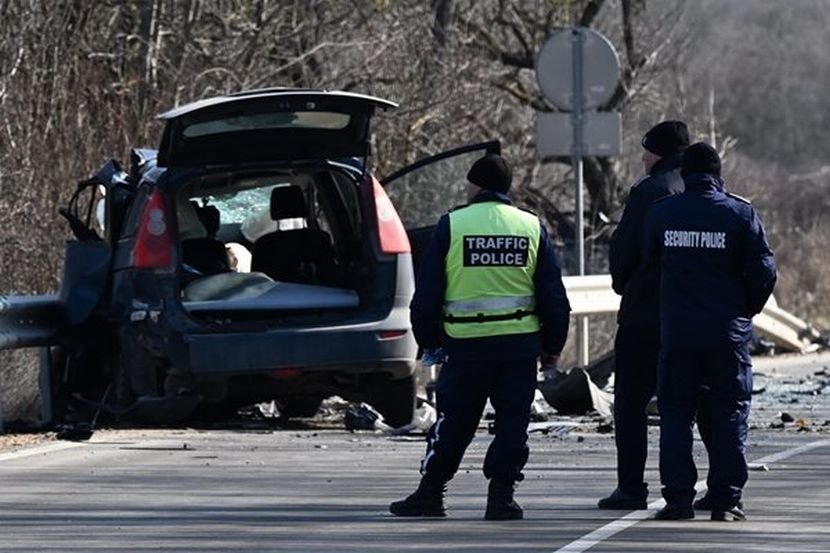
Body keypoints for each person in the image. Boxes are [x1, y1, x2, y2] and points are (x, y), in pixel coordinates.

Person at [389, 153, 571, 520]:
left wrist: (429, 339)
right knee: (512, 424)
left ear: (476, 186)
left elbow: (427, 294)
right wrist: (552, 347)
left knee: (453, 422)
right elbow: (553, 295)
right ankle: (501, 498)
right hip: (518, 346)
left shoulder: (452, 225)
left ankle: (431, 493)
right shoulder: (530, 226)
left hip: (465, 346)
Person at [643, 142, 777, 521]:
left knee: (675, 415)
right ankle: (726, 499)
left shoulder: (664, 213)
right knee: (730, 412)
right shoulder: (739, 213)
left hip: (679, 333)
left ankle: (679, 500)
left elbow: (647, 258)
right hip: (726, 335)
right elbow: (765, 271)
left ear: (684, 174)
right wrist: (743, 310)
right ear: (719, 175)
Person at [599, 121, 690, 510]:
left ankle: (632, 488)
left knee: (632, 402)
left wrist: (624, 285)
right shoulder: (703, 189)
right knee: (682, 404)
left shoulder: (649, 191)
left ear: (661, 152)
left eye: (647, 150)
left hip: (644, 314)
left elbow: (624, 250)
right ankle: (690, 490)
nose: (642, 158)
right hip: (690, 316)